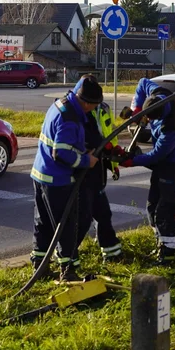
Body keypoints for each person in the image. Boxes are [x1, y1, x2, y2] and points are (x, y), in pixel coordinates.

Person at [30, 76, 102, 282]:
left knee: (43, 222)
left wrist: (80, 149)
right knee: (66, 226)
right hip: (57, 179)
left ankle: (39, 265)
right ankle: (67, 270)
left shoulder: (61, 104)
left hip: (40, 173)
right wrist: (85, 160)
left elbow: (61, 142)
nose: (93, 110)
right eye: (94, 106)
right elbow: (61, 153)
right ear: (87, 103)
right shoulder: (70, 118)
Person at [120, 78, 175, 265]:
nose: (148, 121)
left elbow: (156, 156)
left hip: (173, 166)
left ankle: (167, 255)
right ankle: (160, 241)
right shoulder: (158, 93)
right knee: (152, 207)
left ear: (159, 116)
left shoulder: (172, 127)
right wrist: (136, 110)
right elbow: (142, 82)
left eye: (150, 119)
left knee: (164, 212)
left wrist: (131, 161)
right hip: (163, 163)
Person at [75, 75, 124, 263]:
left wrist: (113, 159)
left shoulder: (101, 108)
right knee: (83, 217)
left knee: (103, 212)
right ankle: (66, 253)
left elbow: (108, 134)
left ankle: (111, 251)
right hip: (83, 169)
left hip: (98, 167)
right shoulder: (76, 110)